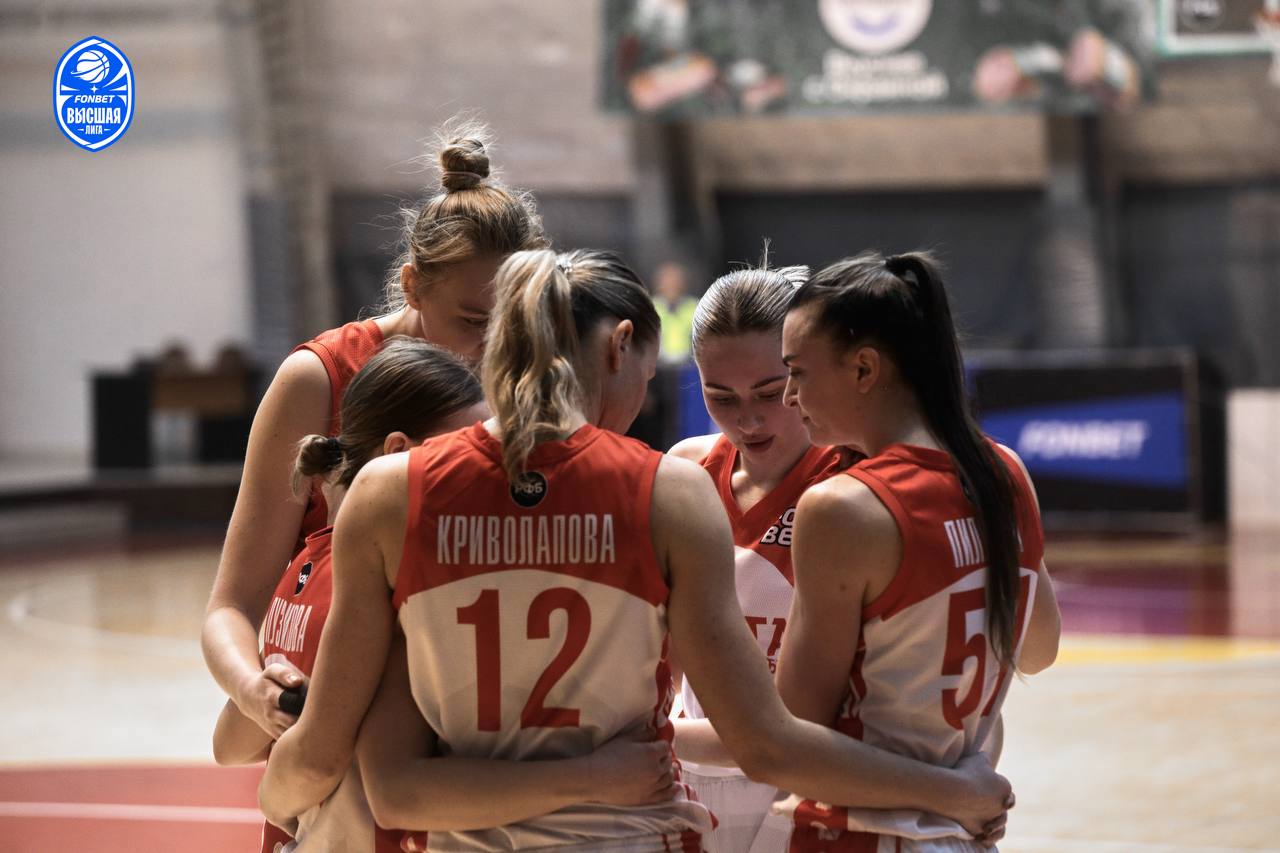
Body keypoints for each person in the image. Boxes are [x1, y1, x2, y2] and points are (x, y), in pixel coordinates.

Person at [259, 248, 1014, 849]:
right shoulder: (672, 490)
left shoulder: (387, 493)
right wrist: (957, 789)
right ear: (621, 346)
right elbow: (768, 743)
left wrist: (271, 797)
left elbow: (385, 785)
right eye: (652, 378)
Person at [214, 338, 671, 852]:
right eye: (460, 455)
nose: (483, 471)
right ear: (399, 453)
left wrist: (273, 784)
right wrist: (594, 776)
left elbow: (230, 744)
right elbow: (362, 777)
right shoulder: (384, 583)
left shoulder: (304, 562)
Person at [201, 120, 546, 742]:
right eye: (473, 321)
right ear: (412, 286)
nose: (490, 347)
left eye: (511, 323)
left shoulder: (524, 379)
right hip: (334, 726)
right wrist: (254, 689)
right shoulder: (318, 378)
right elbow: (230, 606)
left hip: (470, 719)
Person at [775, 251, 1062, 851]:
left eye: (797, 373)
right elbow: (1038, 651)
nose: (788, 397)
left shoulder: (843, 507)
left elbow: (792, 743)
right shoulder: (1005, 473)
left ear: (863, 369)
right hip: (962, 830)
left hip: (866, 834)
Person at [667, 263, 850, 853]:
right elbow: (662, 659)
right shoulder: (686, 471)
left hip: (811, 785)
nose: (747, 419)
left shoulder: (857, 482)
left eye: (770, 394)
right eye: (720, 397)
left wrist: (641, 738)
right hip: (688, 780)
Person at [653, 261, 699, 364]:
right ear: (659, 284)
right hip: (659, 366)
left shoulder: (694, 307)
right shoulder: (652, 308)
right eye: (667, 282)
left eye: (675, 282)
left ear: (683, 284)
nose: (671, 285)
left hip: (689, 365)